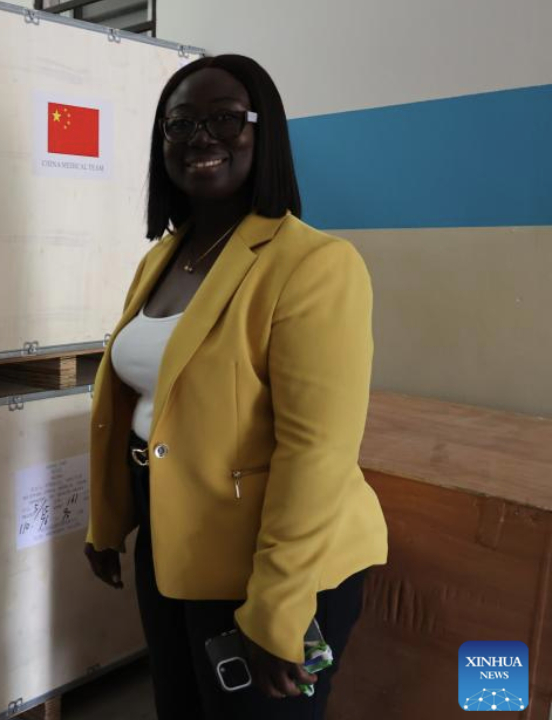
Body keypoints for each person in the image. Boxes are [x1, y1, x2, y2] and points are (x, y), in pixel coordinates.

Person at [83, 54, 387, 719]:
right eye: (181, 122)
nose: (200, 137)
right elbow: (138, 404)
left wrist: (279, 603)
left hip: (271, 556)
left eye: (225, 118)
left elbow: (317, 453)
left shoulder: (314, 265)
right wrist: (110, 520)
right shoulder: (164, 256)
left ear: (265, 131)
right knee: (180, 705)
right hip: (172, 534)